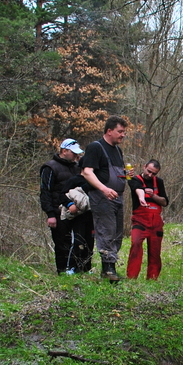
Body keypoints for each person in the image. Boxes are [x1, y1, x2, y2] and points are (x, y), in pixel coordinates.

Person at [80, 116, 129, 282]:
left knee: (117, 233)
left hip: (117, 197)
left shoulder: (117, 150)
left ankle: (110, 268)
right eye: (120, 131)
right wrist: (104, 189)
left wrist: (125, 175)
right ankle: (108, 270)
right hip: (102, 197)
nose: (123, 135)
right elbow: (87, 172)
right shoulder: (96, 147)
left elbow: (112, 172)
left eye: (124, 132)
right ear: (109, 131)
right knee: (106, 232)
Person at [39, 138, 93, 274]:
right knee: (62, 243)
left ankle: (79, 269)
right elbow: (45, 192)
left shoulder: (76, 167)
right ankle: (62, 272)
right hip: (58, 212)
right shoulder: (49, 167)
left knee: (80, 242)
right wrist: (50, 214)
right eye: (74, 153)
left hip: (78, 213)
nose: (76, 156)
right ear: (64, 151)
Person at [127, 160, 168, 279]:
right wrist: (142, 197)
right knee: (135, 244)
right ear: (144, 167)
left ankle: (153, 278)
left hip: (156, 223)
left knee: (155, 252)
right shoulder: (135, 180)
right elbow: (137, 188)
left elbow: (165, 202)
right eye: (149, 171)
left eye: (153, 173)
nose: (150, 175)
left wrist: (153, 196)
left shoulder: (159, 182)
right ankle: (132, 278)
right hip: (140, 221)